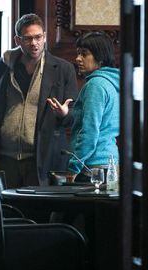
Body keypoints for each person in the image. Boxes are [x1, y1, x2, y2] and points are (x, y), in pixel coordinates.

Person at [0, 13, 78, 188]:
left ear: (45, 36)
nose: (34, 43)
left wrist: (64, 113)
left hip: (42, 158)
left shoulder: (63, 68)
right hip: (5, 157)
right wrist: (3, 116)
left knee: (38, 212)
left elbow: (75, 115)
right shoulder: (5, 65)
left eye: (38, 37)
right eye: (28, 39)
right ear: (17, 40)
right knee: (8, 210)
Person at [47, 31, 120, 182]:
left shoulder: (96, 85)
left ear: (99, 57)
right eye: (78, 53)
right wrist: (67, 114)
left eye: (84, 54)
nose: (78, 58)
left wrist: (74, 167)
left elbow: (90, 132)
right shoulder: (111, 81)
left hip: (92, 168)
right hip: (108, 163)